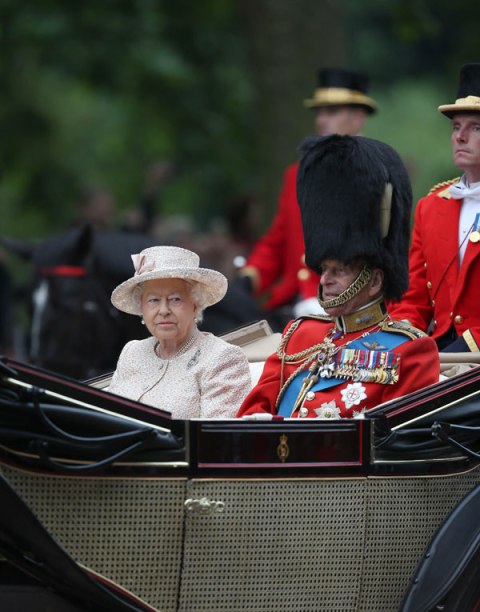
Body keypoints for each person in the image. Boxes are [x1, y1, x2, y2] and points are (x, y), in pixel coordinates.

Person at [237, 135, 439, 419]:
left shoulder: (411, 350)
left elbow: (390, 442)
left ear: (375, 281)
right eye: (324, 269)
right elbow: (254, 408)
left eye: (340, 270)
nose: (324, 280)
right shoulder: (299, 335)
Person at [238, 68, 377, 326]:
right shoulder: (296, 174)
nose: (322, 120)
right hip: (291, 303)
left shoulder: (375, 173)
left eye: (332, 112)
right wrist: (249, 278)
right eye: (319, 112)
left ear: (358, 117)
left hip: (345, 305)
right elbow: (279, 240)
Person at [389, 63, 480, 352]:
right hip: (439, 354)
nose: (460, 137)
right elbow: (413, 299)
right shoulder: (430, 206)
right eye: (456, 127)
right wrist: (398, 344)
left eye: (475, 127)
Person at [108, 246, 252, 418]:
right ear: (142, 308)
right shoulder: (132, 352)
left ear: (196, 304)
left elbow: (217, 439)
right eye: (153, 300)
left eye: (175, 299)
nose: (163, 310)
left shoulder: (223, 358)